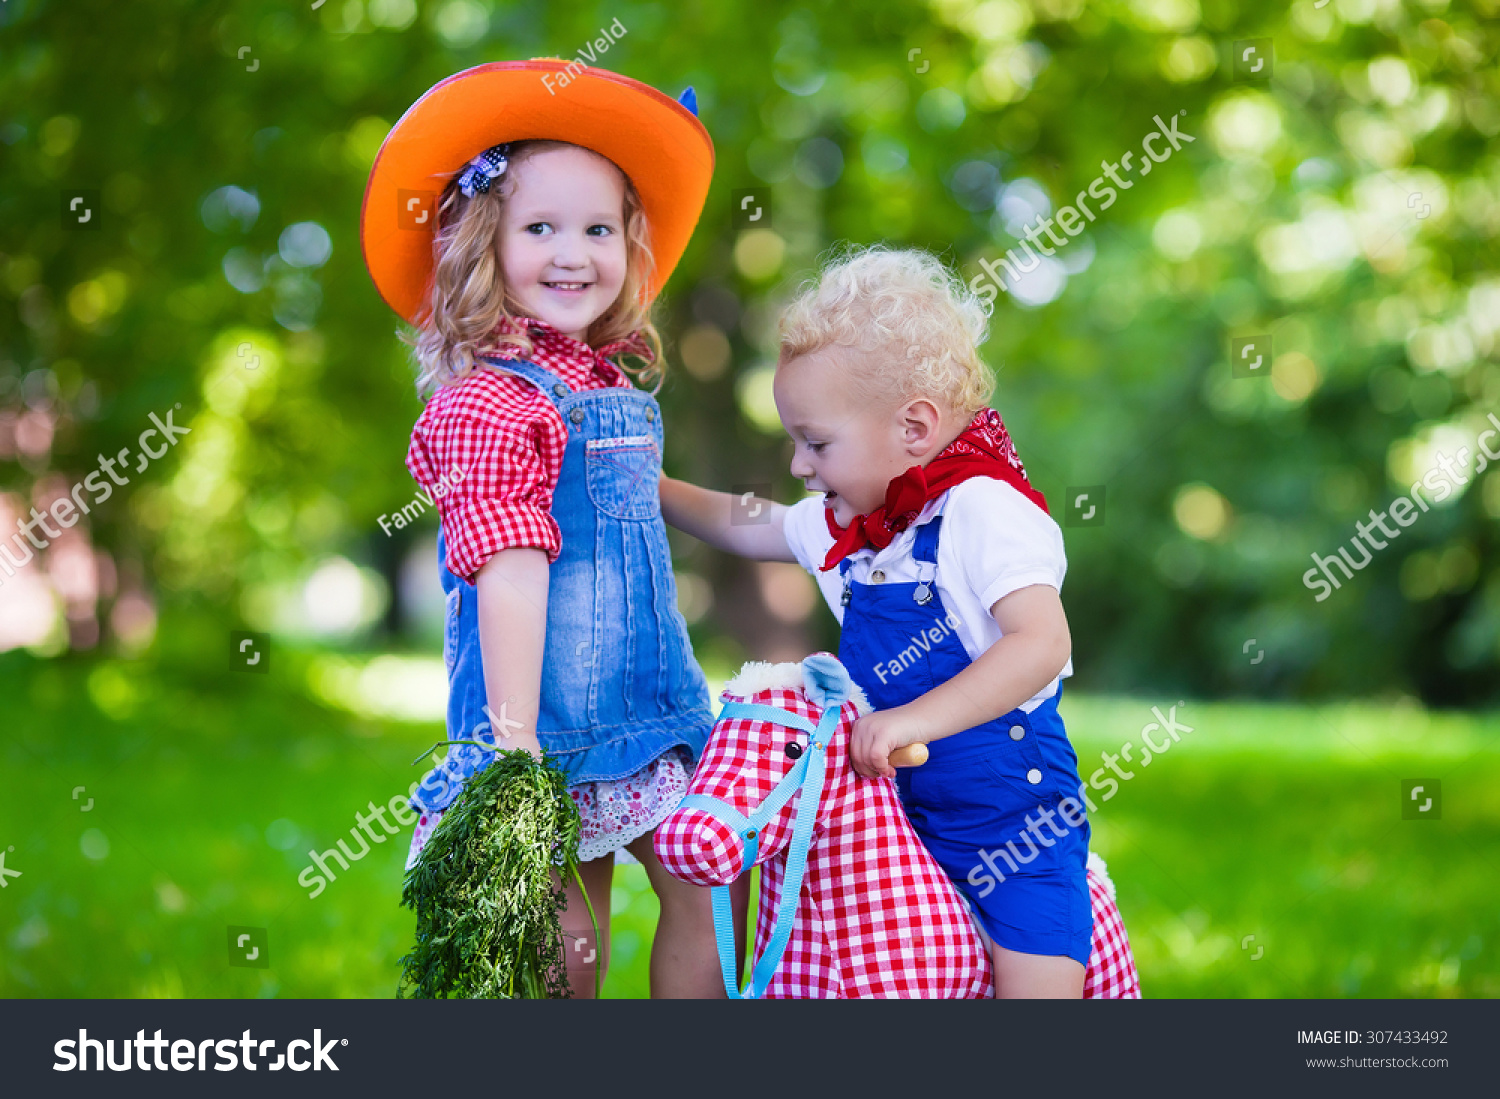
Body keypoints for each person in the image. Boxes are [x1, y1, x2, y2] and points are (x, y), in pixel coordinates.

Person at [360, 59, 742, 998]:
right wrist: (516, 745)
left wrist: (798, 526)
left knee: (710, 883)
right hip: (545, 722)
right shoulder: (492, 403)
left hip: (657, 705)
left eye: (598, 229)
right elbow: (513, 564)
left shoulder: (604, 383)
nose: (574, 252)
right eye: (541, 228)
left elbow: (657, 499)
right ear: (481, 247)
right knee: (568, 926)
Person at [660, 245, 1093, 997]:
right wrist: (651, 483)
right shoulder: (851, 525)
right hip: (895, 810)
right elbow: (746, 521)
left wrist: (912, 719)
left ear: (915, 427)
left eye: (816, 442)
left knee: (1035, 989)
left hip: (1011, 822)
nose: (799, 465)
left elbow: (1040, 641)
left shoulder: (983, 509)